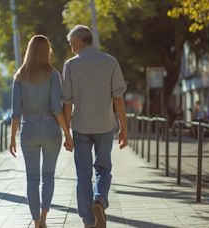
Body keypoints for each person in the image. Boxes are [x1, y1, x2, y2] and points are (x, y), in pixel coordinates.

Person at [62, 25, 128, 228]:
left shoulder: (71, 65)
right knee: (103, 169)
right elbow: (118, 99)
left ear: (79, 41)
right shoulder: (111, 62)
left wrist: (67, 134)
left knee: (83, 174)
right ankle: (99, 200)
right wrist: (124, 128)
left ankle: (89, 222)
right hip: (105, 125)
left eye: (72, 43)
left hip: (81, 126)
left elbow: (67, 102)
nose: (71, 48)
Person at [9, 35, 73, 228]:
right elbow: (56, 107)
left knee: (32, 179)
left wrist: (12, 138)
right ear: (47, 51)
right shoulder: (53, 75)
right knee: (48, 176)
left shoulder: (19, 76)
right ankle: (44, 217)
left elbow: (15, 112)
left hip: (28, 130)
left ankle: (36, 221)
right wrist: (67, 134)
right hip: (51, 130)